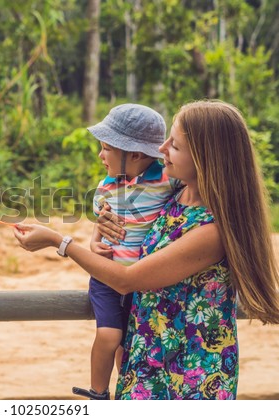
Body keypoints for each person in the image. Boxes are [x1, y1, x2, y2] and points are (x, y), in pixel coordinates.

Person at [12, 100, 279, 399]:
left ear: (206, 158)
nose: (161, 149)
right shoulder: (175, 197)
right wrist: (99, 229)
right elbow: (123, 211)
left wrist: (58, 242)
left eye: (174, 145)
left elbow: (128, 280)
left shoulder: (211, 230)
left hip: (190, 375)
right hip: (147, 358)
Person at [72, 104, 180, 400]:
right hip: (107, 277)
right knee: (110, 335)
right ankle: (97, 392)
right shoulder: (106, 186)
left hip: (143, 280)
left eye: (106, 148)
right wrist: (94, 241)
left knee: (132, 343)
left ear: (134, 154)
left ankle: (128, 391)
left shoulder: (168, 179)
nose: (100, 155)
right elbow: (102, 219)